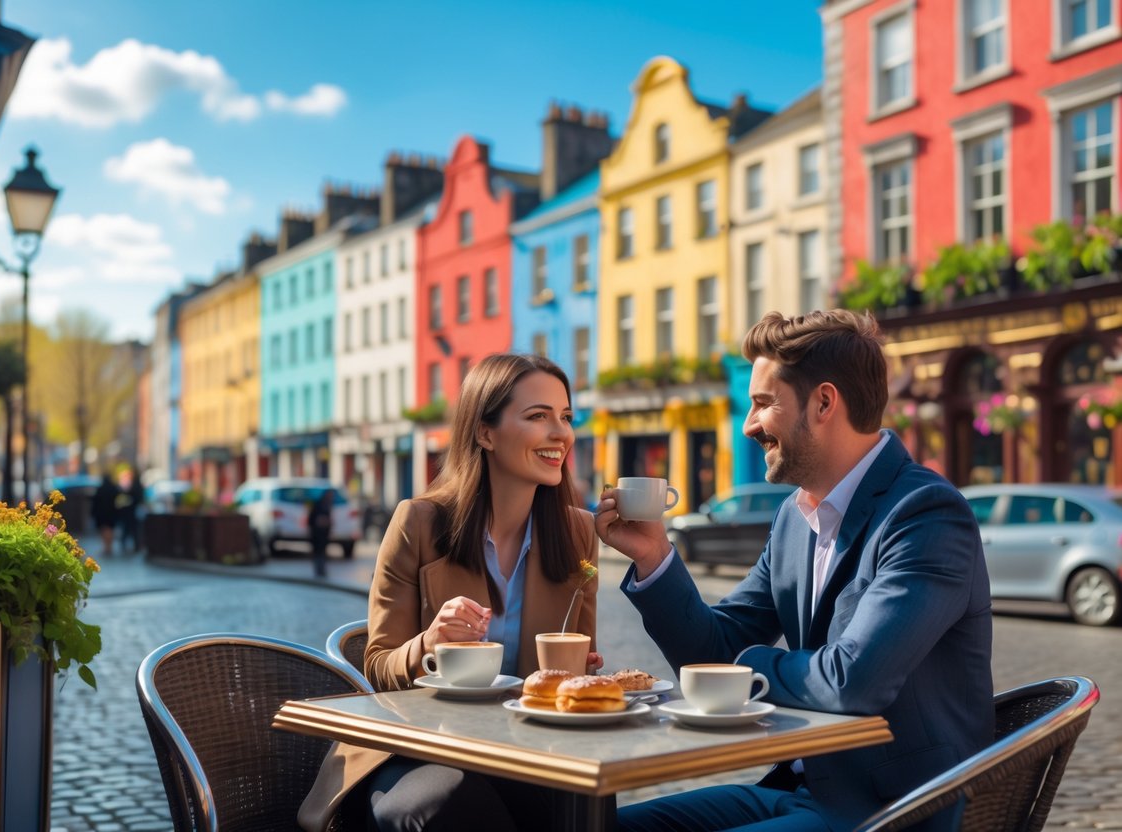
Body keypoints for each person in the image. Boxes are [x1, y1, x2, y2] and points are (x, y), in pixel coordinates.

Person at [596, 310, 994, 832]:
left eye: (763, 403)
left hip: (895, 810)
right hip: (808, 792)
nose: (749, 425)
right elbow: (714, 654)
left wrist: (746, 664)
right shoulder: (794, 517)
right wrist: (653, 557)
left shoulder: (925, 514)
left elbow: (852, 682)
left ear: (824, 402)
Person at [299, 353, 603, 832]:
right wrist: (429, 643)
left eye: (565, 417)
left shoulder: (577, 532)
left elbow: (569, 666)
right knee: (433, 806)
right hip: (420, 746)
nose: (560, 433)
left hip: (526, 747)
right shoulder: (418, 522)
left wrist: (579, 678)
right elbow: (378, 668)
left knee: (585, 797)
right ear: (484, 433)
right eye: (538, 416)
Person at [91, 473, 120, 557]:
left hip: (102, 513)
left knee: (104, 530)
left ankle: (106, 547)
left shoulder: (100, 489)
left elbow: (95, 501)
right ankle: (109, 546)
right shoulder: (114, 488)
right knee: (110, 529)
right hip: (112, 512)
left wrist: (93, 513)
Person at [307, 488, 334, 577]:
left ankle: (321, 570)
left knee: (322, 551)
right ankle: (318, 570)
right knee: (318, 552)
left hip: (323, 534)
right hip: (317, 534)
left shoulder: (327, 505)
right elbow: (313, 520)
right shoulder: (319, 505)